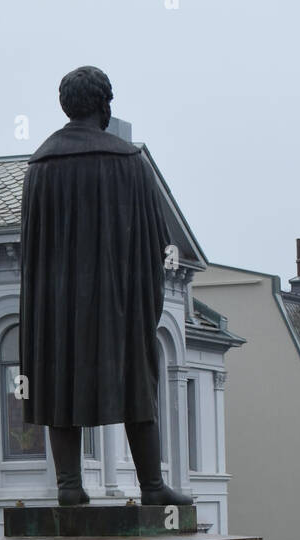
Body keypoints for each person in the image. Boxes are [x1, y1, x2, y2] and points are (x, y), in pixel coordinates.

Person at [20, 66, 190, 506]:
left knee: (59, 382)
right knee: (136, 380)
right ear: (104, 105)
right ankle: (152, 487)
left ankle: (69, 487)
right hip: (117, 303)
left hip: (57, 308)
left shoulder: (40, 165)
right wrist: (142, 306)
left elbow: (32, 251)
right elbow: (156, 241)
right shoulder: (128, 162)